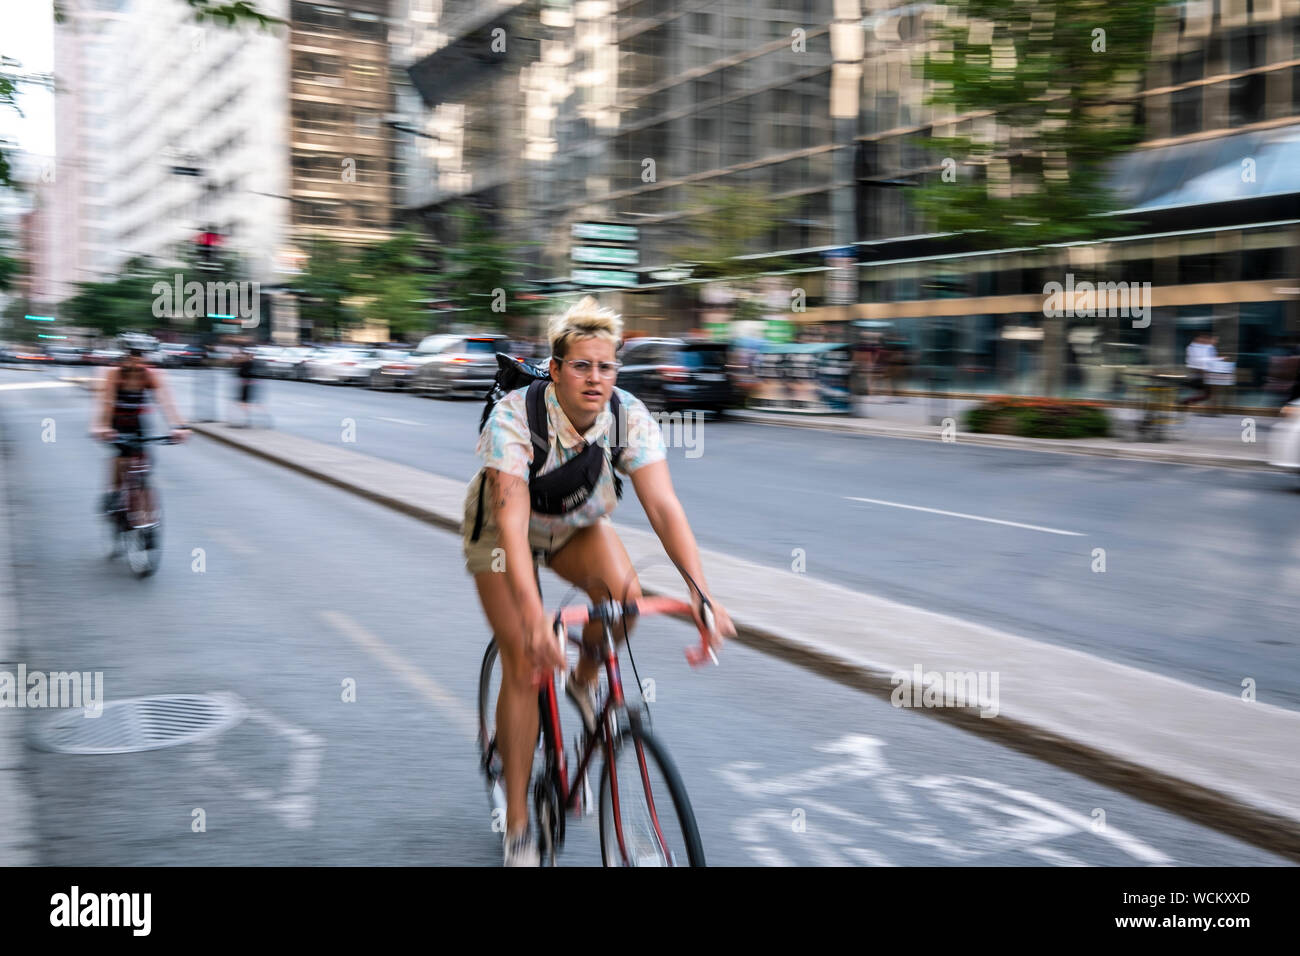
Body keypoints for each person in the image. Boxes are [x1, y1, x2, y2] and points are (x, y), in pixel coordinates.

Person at [462, 296, 735, 866]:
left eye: (606, 366)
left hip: (575, 524)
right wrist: (535, 622)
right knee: (525, 659)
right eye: (581, 366)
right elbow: (510, 526)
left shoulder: (628, 414)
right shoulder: (516, 416)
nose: (595, 378)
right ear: (556, 369)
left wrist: (702, 595)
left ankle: (583, 685)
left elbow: (663, 507)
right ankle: (517, 824)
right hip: (501, 536)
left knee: (625, 601)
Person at [91, 347, 189, 514]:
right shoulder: (115, 374)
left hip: (136, 421)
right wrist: (103, 427)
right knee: (122, 457)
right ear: (123, 360)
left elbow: (166, 401)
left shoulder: (148, 375)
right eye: (131, 359)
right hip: (116, 421)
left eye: (139, 359)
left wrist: (179, 426)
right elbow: (106, 402)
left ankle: (148, 516)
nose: (135, 363)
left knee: (146, 459)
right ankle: (114, 492)